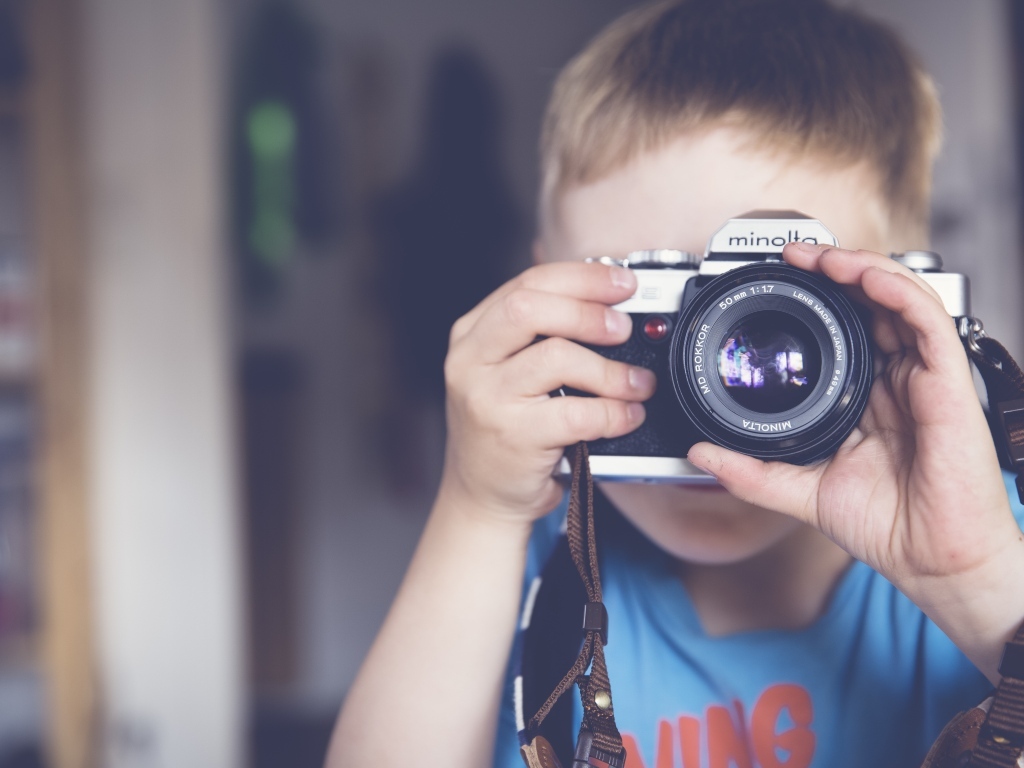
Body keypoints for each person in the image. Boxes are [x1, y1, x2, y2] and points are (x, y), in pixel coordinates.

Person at [326, 1, 1024, 766]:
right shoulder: (526, 577)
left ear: (903, 304)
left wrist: (982, 590)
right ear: (543, 293)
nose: (714, 395)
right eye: (659, 304)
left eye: (776, 311)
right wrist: (478, 505)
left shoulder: (989, 543)